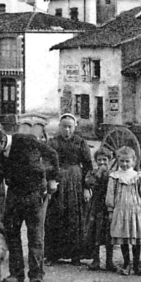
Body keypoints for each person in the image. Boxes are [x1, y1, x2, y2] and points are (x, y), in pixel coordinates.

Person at [0, 126, 59, 282]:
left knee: (35, 236)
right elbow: (0, 168)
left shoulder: (26, 140)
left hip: (34, 194)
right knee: (12, 234)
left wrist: (52, 178)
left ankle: (36, 276)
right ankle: (16, 275)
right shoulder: (0, 151)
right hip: (14, 194)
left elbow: (53, 154)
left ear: (1, 141)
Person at [45, 113, 93, 266]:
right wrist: (50, 180)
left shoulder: (80, 143)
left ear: (74, 127)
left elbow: (88, 167)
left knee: (75, 216)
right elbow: (47, 163)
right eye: (64, 127)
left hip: (75, 182)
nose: (67, 130)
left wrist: (87, 188)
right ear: (59, 127)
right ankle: (53, 254)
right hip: (58, 183)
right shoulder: (52, 143)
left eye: (70, 127)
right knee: (55, 215)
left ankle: (75, 255)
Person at [106, 147, 141, 276]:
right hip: (120, 211)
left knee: (136, 237)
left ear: (133, 162)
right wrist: (110, 209)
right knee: (124, 238)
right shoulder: (115, 177)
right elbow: (110, 194)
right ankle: (126, 264)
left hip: (135, 211)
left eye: (127, 161)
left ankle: (136, 265)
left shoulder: (137, 176)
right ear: (118, 161)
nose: (124, 164)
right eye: (122, 161)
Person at [83, 147, 116, 272]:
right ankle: (96, 260)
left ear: (110, 160)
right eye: (99, 160)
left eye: (105, 160)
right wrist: (98, 173)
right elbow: (89, 183)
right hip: (96, 205)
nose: (102, 163)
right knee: (95, 233)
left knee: (109, 233)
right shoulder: (92, 173)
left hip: (108, 206)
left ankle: (109, 261)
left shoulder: (113, 174)